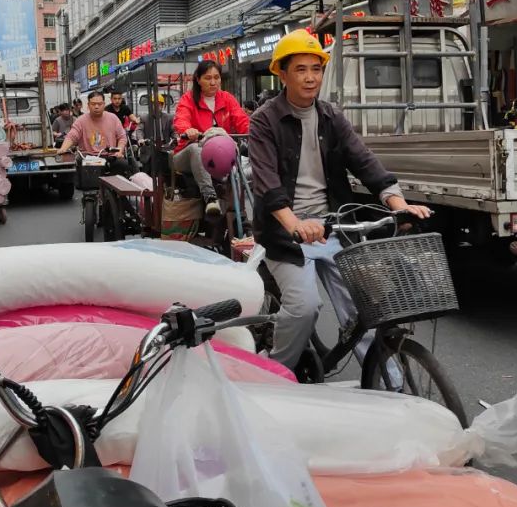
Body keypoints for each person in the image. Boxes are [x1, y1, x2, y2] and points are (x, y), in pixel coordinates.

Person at [248, 30, 431, 370]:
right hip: (285, 236)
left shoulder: (332, 116)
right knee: (305, 308)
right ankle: (276, 373)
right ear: (282, 73)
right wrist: (295, 224)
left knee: (362, 310)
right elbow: (268, 185)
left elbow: (365, 162)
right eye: (301, 69)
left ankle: (392, 388)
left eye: (316, 69)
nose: (310, 77)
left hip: (335, 228)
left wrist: (398, 204)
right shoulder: (264, 121)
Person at [172, 60, 249, 216]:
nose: (213, 82)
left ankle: (240, 212)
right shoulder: (188, 100)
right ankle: (210, 198)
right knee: (196, 149)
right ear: (198, 79)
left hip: (220, 153)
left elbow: (242, 121)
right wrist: (188, 130)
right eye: (208, 78)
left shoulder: (227, 98)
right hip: (188, 154)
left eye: (217, 77)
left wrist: (256, 132)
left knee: (239, 151)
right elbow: (181, 120)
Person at [56, 90, 130, 175]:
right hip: (87, 156)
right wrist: (63, 149)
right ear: (88, 105)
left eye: (99, 104)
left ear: (104, 104)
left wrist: (119, 150)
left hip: (109, 155)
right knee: (72, 165)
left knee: (123, 164)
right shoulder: (81, 120)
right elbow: (72, 136)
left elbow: (122, 137)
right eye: (93, 104)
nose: (96, 106)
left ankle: (113, 187)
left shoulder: (113, 118)